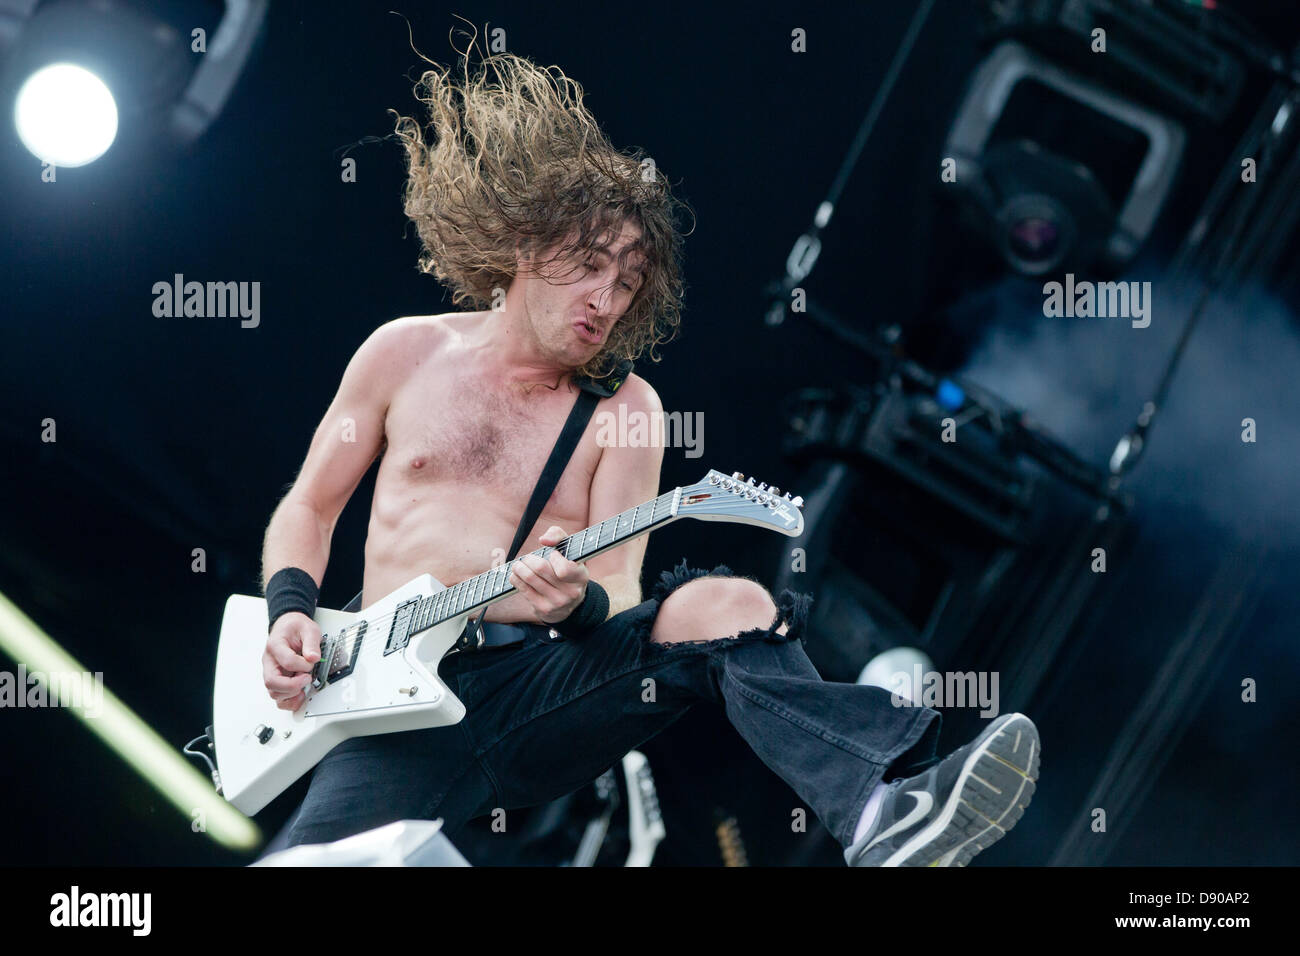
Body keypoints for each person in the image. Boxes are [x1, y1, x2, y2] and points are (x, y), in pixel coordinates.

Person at [258, 48, 1040, 866]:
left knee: (726, 603)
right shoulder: (403, 353)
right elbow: (310, 506)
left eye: (629, 282)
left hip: (535, 689)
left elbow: (619, 585)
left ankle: (884, 808)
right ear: (528, 245)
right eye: (590, 265)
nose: (607, 298)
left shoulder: (626, 411)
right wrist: (288, 612)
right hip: (388, 707)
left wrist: (571, 605)